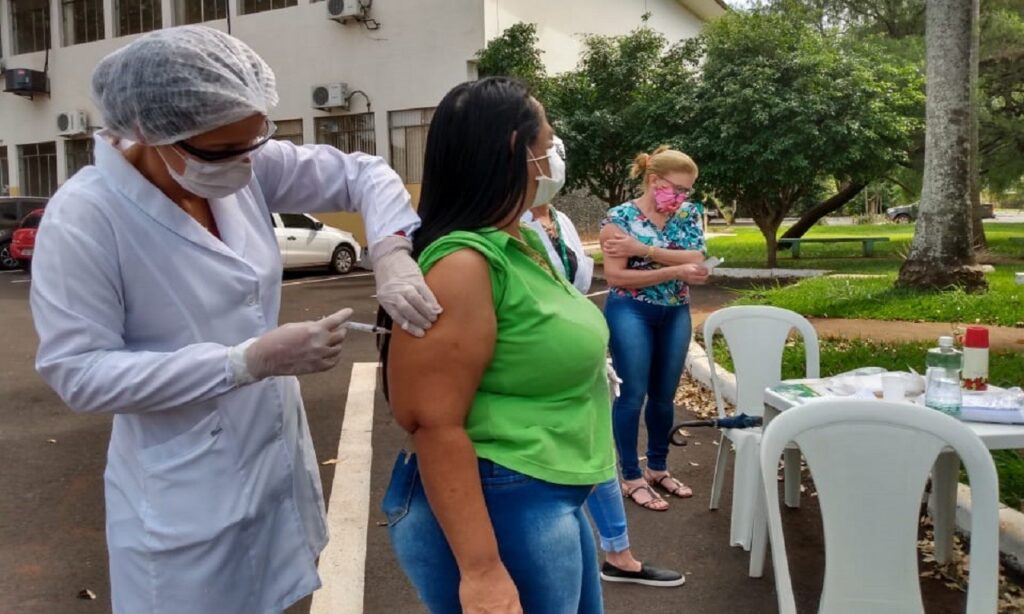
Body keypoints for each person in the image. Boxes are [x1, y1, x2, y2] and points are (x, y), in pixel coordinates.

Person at [29, 26, 440, 613]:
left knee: (283, 591)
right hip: (181, 495)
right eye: (226, 150)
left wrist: (393, 255)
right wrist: (243, 362)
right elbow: (80, 372)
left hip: (269, 458)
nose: (248, 164)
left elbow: (362, 173)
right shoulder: (85, 219)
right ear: (150, 133)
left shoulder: (234, 159)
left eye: (256, 141)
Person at [380, 77, 614, 613]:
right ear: (516, 150)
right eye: (549, 141)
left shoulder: (520, 241)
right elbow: (432, 421)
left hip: (548, 490)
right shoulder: (463, 264)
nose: (555, 154)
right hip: (505, 498)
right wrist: (482, 570)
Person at [521, 138, 684, 588]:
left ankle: (619, 554)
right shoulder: (504, 228)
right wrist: (669, 264)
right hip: (538, 364)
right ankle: (548, 570)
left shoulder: (560, 219)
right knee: (557, 468)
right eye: (543, 146)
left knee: (596, 455)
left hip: (579, 361)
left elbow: (574, 282)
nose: (554, 158)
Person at [600, 145, 709, 512]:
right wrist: (675, 269)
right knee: (632, 395)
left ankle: (658, 468)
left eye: (687, 191)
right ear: (653, 180)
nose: (680, 198)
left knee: (665, 396)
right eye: (675, 189)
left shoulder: (690, 213)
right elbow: (616, 276)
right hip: (631, 310)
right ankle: (630, 475)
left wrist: (641, 249)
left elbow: (697, 257)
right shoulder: (618, 217)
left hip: (675, 311)